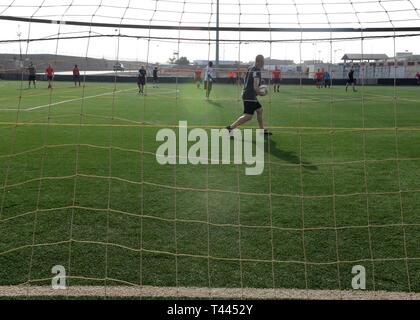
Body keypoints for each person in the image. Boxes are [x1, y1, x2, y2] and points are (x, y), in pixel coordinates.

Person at [226, 54, 272, 137]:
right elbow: (255, 87)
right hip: (250, 96)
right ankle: (230, 128)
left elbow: (247, 79)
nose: (263, 63)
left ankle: (262, 130)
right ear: (258, 61)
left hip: (248, 94)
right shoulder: (257, 70)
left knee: (259, 110)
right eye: (263, 62)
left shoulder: (251, 68)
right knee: (248, 116)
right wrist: (262, 93)